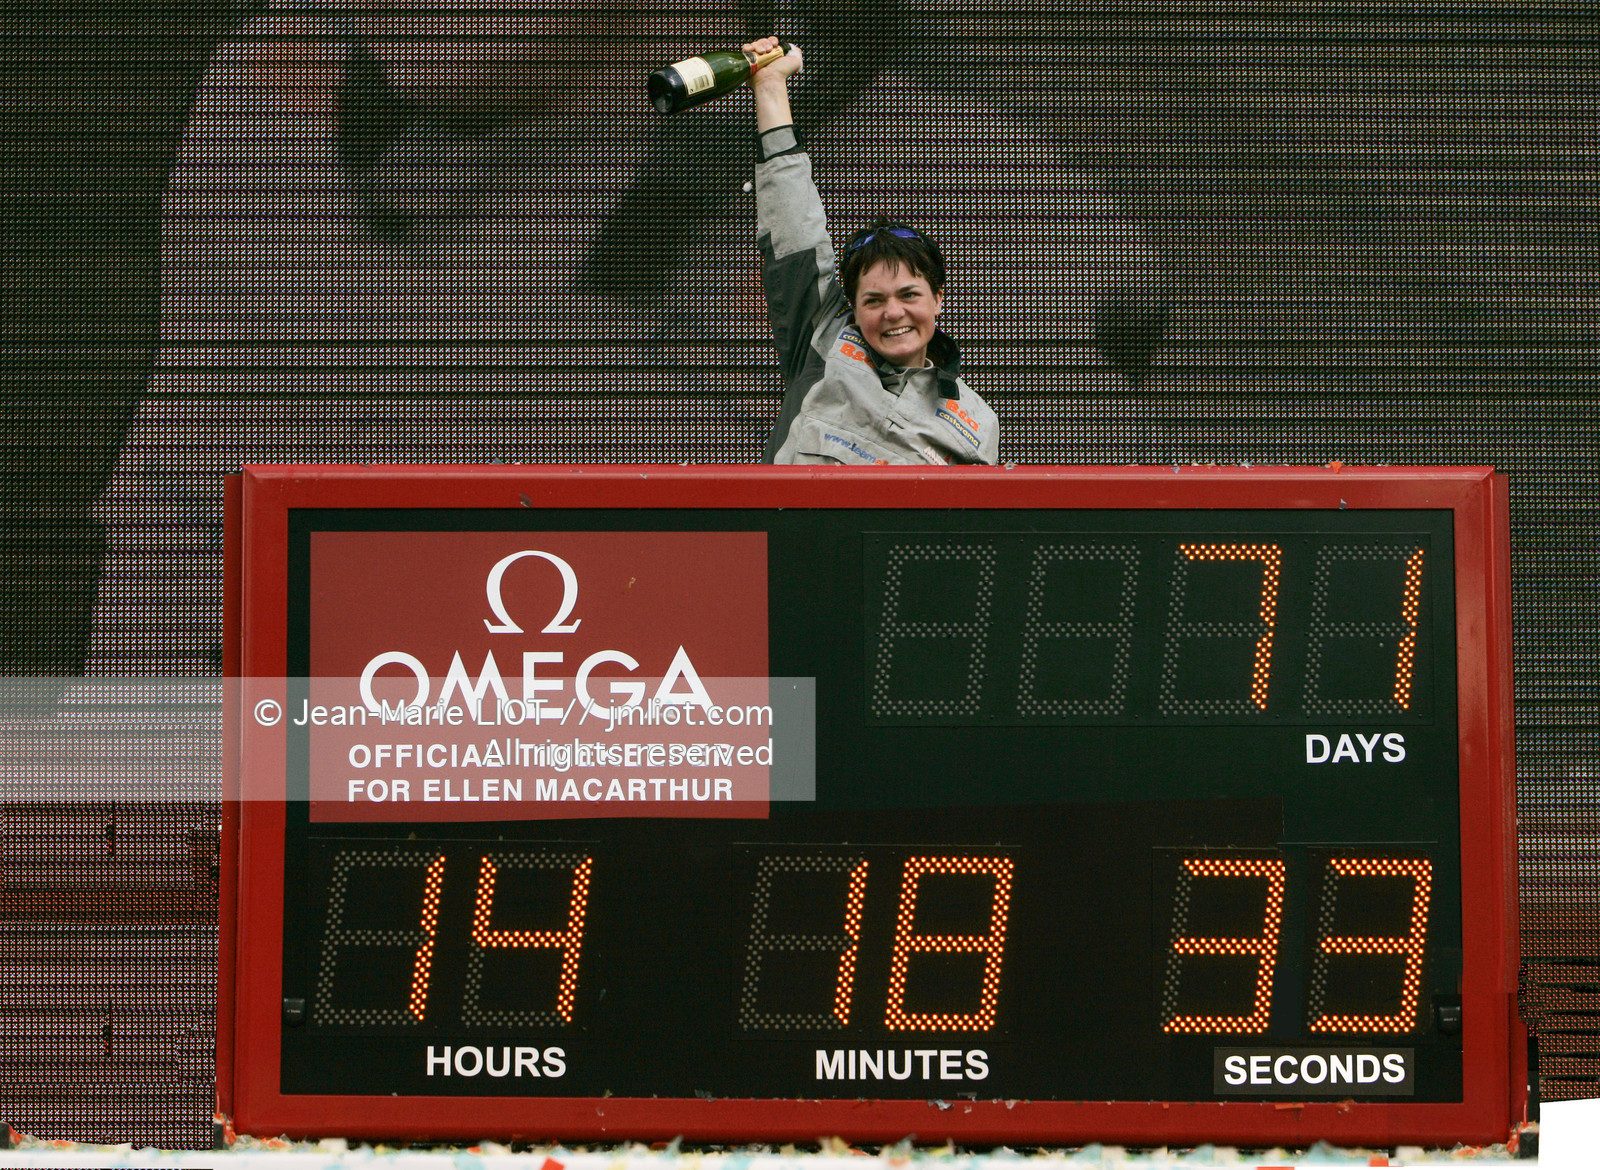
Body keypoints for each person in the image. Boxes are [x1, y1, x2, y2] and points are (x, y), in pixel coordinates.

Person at [747, 38, 997, 465]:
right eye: (874, 300)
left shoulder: (977, 421)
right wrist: (769, 85)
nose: (893, 313)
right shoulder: (822, 338)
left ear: (938, 297)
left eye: (909, 295)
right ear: (854, 307)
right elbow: (794, 222)